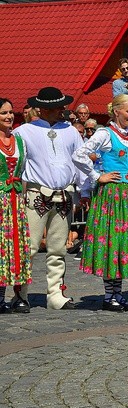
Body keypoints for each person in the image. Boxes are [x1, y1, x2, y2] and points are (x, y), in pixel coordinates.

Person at [72, 94, 128, 311]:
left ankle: (117, 294)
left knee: (123, 243)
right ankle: (108, 296)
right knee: (112, 242)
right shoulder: (105, 133)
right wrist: (98, 176)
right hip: (112, 194)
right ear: (116, 111)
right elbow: (79, 155)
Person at [14, 87, 87, 310]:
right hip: (37, 194)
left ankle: (55, 293)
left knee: (58, 248)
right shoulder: (24, 131)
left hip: (64, 194)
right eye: (57, 107)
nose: (62, 110)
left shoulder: (71, 131)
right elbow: (16, 163)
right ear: (43, 109)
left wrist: (84, 191)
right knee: (30, 247)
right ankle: (21, 295)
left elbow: (81, 160)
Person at [0, 98, 32, 313]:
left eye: (11, 112)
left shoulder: (19, 141)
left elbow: (25, 173)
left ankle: (19, 295)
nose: (9, 116)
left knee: (18, 247)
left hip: (16, 201)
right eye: (3, 113)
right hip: (0, 200)